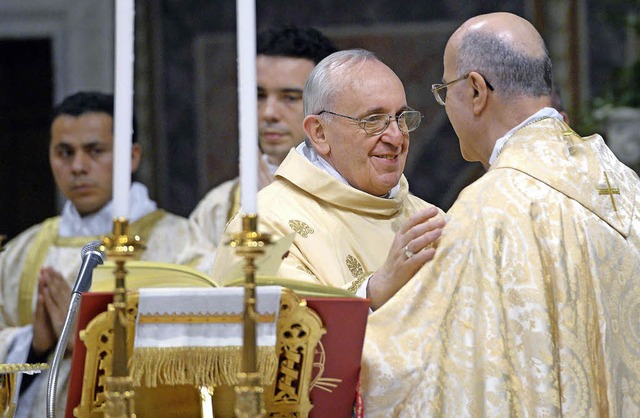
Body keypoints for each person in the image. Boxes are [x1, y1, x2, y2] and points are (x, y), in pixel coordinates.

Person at [361, 12, 640, 416]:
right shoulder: (622, 183)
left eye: (444, 91)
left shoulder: (489, 211)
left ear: (475, 90)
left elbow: (406, 368)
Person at [0, 92, 200, 417]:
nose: (78, 167)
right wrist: (32, 343)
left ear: (132, 156)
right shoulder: (20, 253)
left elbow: (200, 347)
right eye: (64, 153)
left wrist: (89, 338)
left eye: (95, 151)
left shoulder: (181, 244)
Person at [213, 49, 446, 310]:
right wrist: (374, 290)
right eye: (373, 120)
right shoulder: (266, 226)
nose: (396, 136)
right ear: (319, 133)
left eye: (401, 118)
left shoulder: (430, 219)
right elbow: (287, 335)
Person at [188, 26, 338, 260]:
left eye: (289, 98)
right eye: (258, 96)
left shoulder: (352, 193)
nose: (269, 113)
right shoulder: (220, 205)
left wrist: (273, 209)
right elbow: (192, 283)